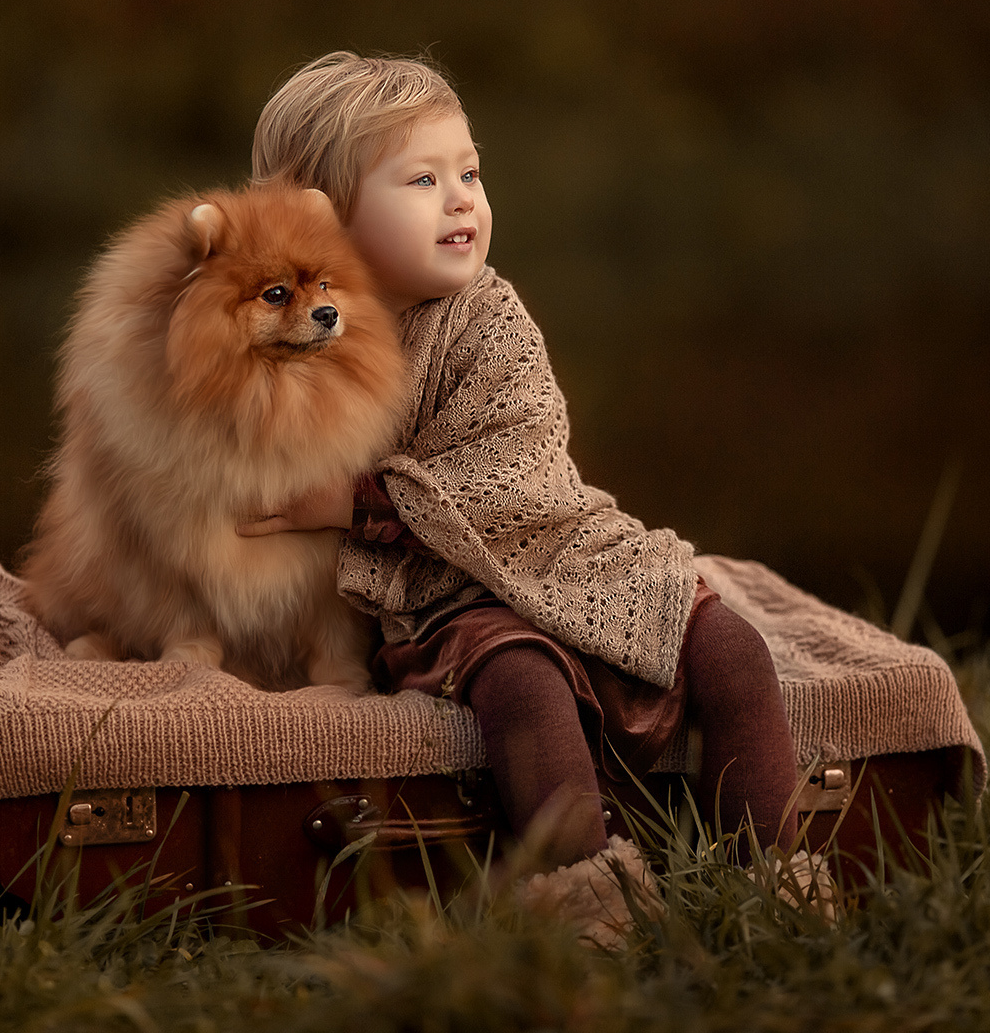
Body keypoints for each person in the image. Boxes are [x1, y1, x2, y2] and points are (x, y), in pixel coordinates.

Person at [240, 50, 801, 927]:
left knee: (729, 645)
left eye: (470, 171)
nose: (463, 197)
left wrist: (359, 502)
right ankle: (587, 901)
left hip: (562, 549)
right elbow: (245, 448)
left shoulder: (490, 319)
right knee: (522, 680)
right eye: (423, 179)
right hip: (445, 598)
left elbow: (520, 470)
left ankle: (773, 882)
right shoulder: (307, 334)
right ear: (323, 222)